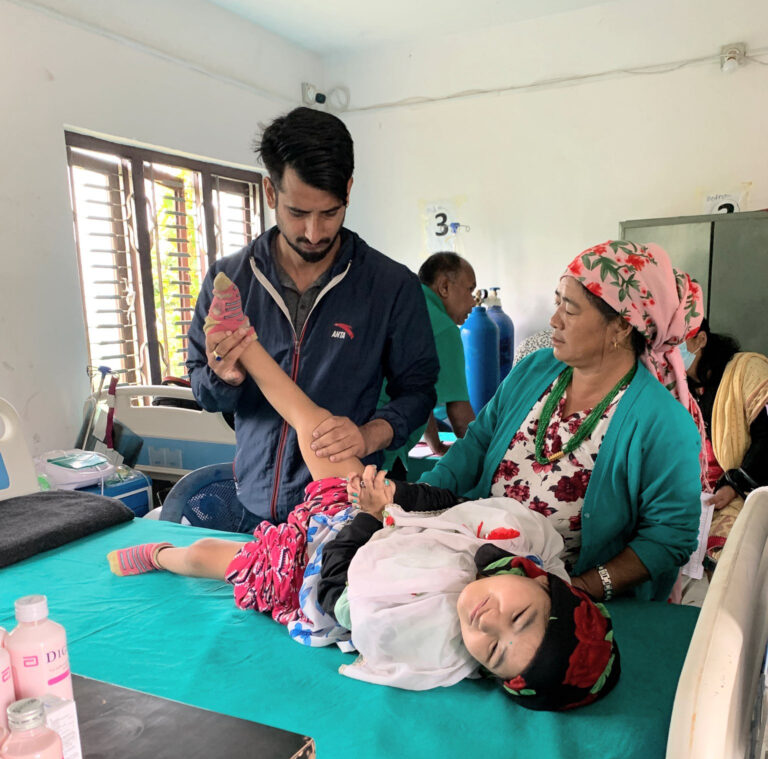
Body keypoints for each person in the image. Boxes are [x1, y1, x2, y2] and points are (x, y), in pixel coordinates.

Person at [109, 276, 620, 711]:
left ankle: (160, 553)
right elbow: (458, 508)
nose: (491, 625)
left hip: (314, 570)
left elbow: (335, 593)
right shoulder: (519, 543)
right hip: (370, 520)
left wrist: (370, 518)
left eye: (496, 653)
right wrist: (393, 495)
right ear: (542, 583)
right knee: (322, 430)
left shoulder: (420, 635)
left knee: (219, 559)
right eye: (520, 617)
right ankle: (242, 342)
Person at [185, 107, 439, 529]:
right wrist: (223, 378)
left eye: (330, 212)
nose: (315, 232)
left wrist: (369, 434)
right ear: (270, 193)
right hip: (256, 510)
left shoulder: (390, 286)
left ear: (349, 191)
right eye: (298, 213)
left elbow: (417, 392)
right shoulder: (229, 282)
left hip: (345, 510)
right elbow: (203, 391)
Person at [419, 240, 705, 603]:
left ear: (620, 325)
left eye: (569, 309)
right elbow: (476, 445)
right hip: (477, 574)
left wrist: (578, 588)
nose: (554, 320)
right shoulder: (535, 370)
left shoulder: (662, 423)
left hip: (572, 606)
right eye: (557, 303)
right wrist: (416, 500)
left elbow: (669, 538)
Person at [683, 318, 768, 566]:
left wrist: (735, 483)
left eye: (679, 340)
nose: (670, 349)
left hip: (747, 488)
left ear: (701, 339)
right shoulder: (674, 386)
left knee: (724, 559)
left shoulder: (747, 370)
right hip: (698, 497)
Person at [381, 252, 476, 475]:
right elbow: (460, 417)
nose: (473, 301)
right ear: (444, 287)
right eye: (470, 290)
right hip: (384, 442)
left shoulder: (405, 303)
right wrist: (487, 466)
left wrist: (435, 445)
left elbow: (422, 392)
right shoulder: (443, 328)